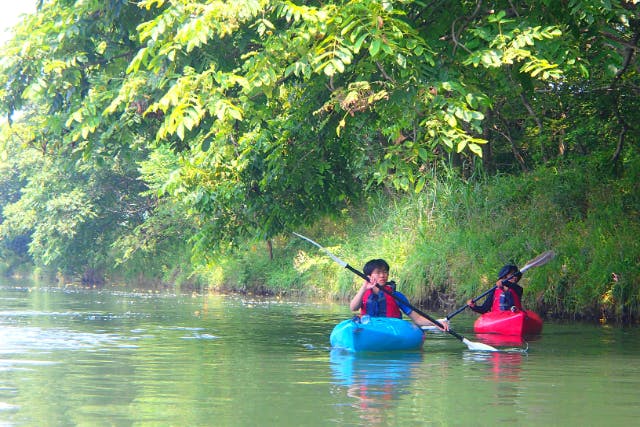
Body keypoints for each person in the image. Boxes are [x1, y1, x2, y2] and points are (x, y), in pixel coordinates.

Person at [349, 259, 448, 331]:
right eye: (378, 273)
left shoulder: (396, 296)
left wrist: (436, 323)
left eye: (385, 272)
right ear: (369, 277)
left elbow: (417, 319)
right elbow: (353, 308)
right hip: (369, 327)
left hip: (391, 329)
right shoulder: (363, 294)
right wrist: (363, 288)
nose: (383, 275)